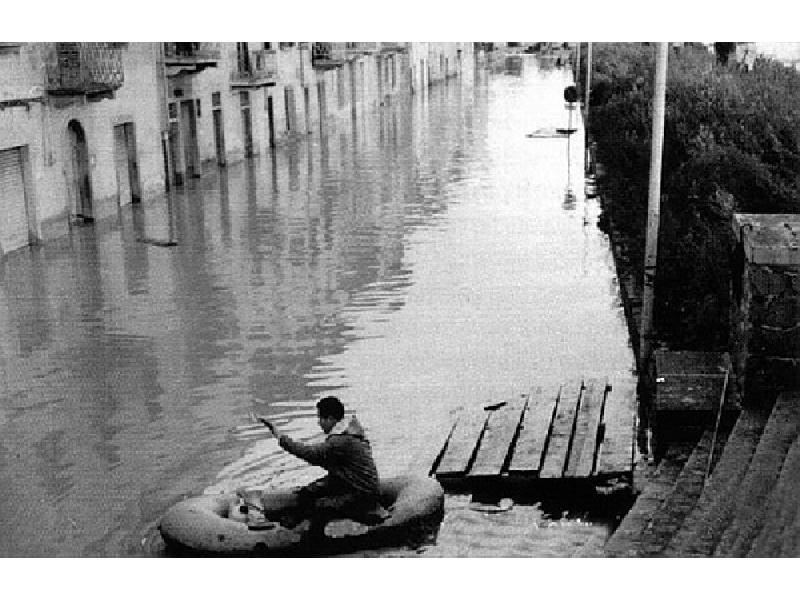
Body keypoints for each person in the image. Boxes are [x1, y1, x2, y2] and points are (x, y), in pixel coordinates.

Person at [257, 396, 387, 532]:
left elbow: (310, 454)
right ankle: (292, 521)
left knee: (320, 506)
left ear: (330, 419)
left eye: (320, 418)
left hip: (361, 493)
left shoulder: (340, 441)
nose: (319, 423)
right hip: (348, 481)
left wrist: (278, 435)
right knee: (308, 492)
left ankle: (305, 537)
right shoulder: (351, 433)